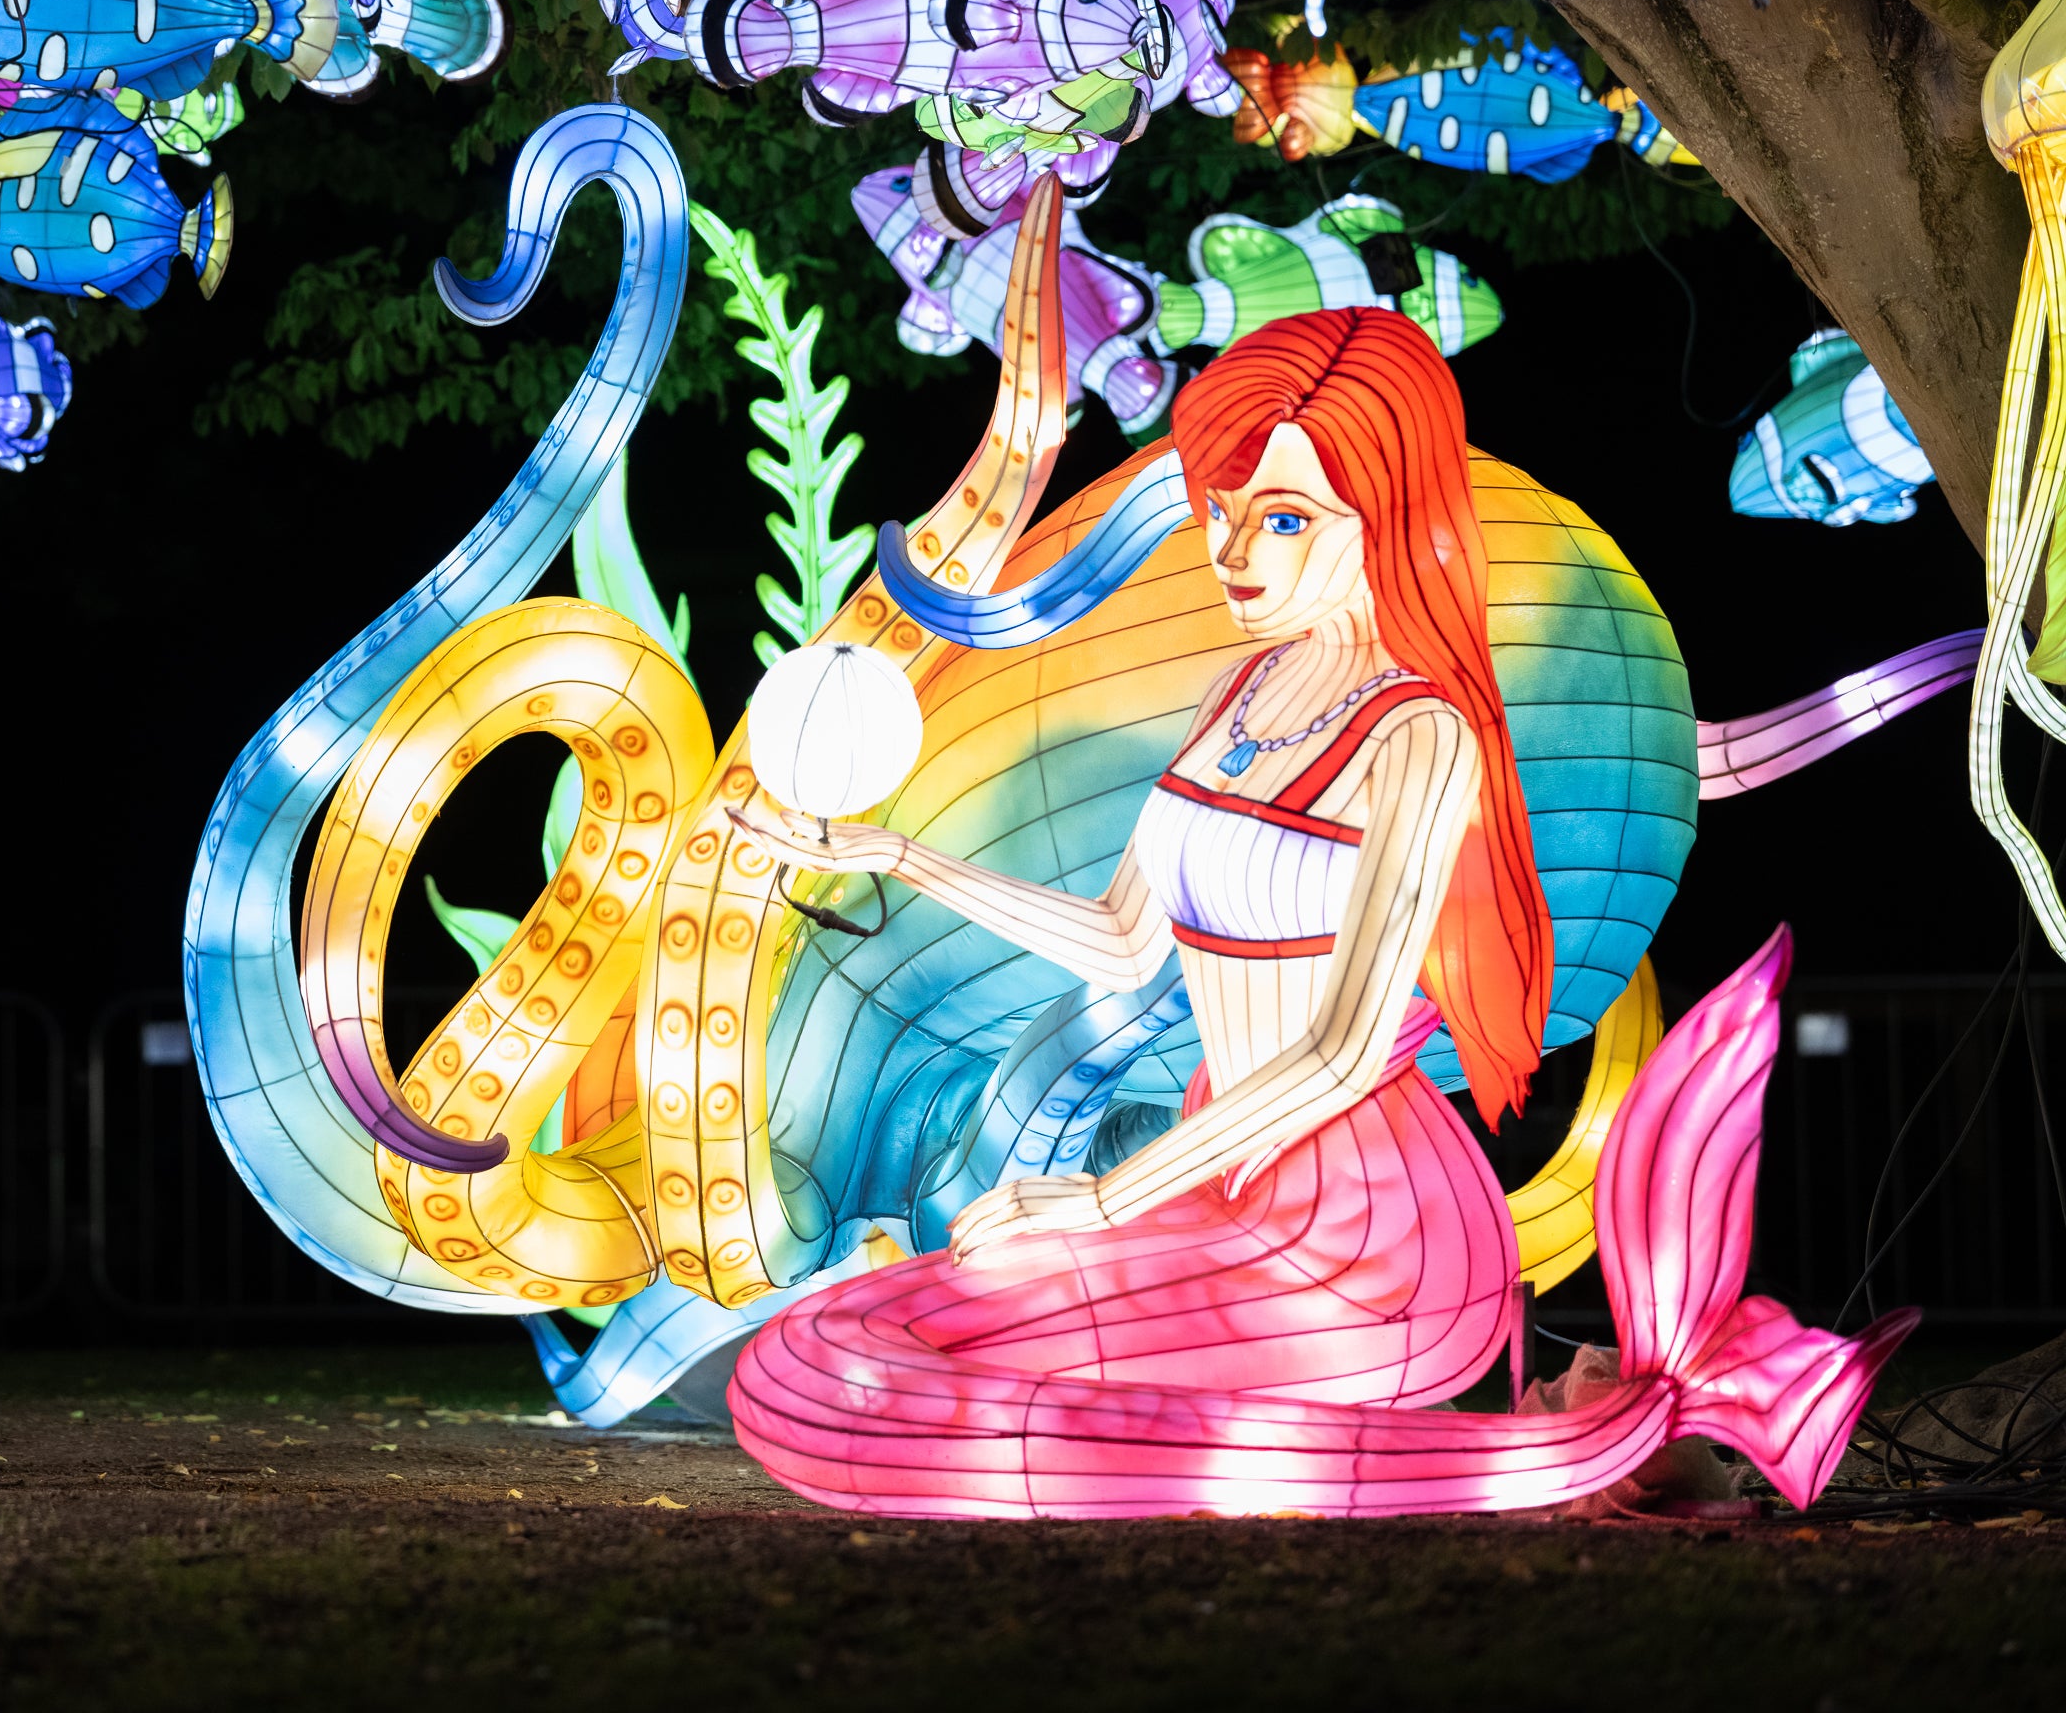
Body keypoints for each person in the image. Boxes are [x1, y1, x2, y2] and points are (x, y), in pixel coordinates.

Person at [720, 309, 1914, 1518]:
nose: (1236, 551)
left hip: (1372, 1240)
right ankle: (1540, 1451)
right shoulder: (1242, 692)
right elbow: (1125, 944)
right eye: (1224, 510)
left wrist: (1096, 1199)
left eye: (1286, 519)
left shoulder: (1421, 735)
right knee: (833, 1350)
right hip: (1218, 1180)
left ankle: (1556, 1455)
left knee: (861, 1378)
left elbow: (1342, 1050)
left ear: (1389, 515)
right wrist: (895, 854)